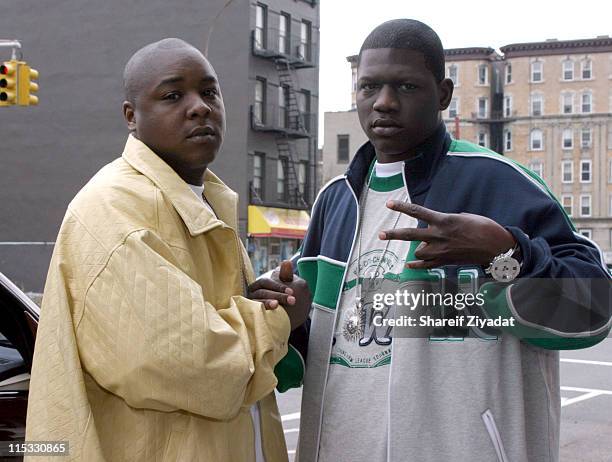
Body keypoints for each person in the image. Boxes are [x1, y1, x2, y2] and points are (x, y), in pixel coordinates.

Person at [254, 19, 611, 462]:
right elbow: (327, 347)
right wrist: (282, 324)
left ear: (442, 93)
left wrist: (506, 254)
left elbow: (593, 313)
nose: (383, 103)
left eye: (405, 86)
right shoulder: (334, 201)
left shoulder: (500, 185)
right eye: (369, 87)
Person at [25, 38, 310, 462]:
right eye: (172, 95)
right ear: (131, 117)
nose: (199, 107)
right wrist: (278, 321)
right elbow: (189, 365)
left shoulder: (202, 199)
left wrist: (261, 302)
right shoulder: (115, 209)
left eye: (209, 92)